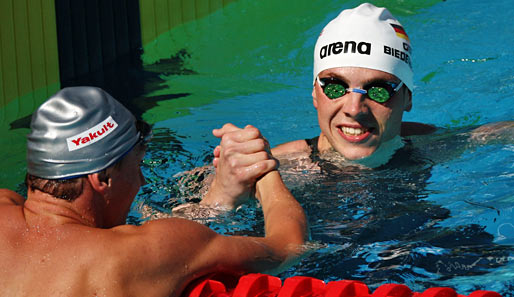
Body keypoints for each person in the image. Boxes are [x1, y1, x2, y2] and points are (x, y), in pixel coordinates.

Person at [0, 86, 307, 296]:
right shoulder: (138, 252)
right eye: (137, 167)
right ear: (102, 179)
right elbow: (288, 247)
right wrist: (262, 169)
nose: (142, 183)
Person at [269, 3, 512, 168]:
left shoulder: (428, 146)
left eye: (378, 90)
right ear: (314, 92)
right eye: (335, 87)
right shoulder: (279, 169)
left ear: (408, 98)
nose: (354, 109)